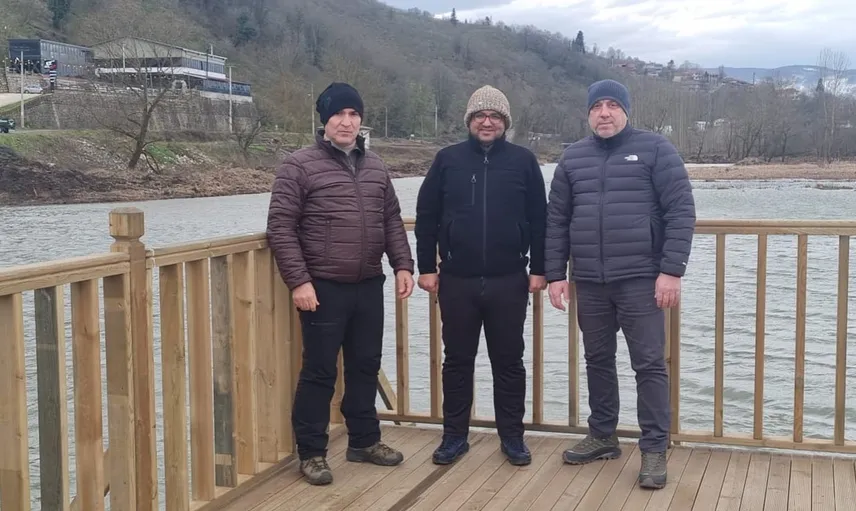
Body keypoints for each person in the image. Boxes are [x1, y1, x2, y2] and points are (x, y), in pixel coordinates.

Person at [544, 79, 696, 489]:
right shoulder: (573, 157)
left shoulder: (655, 149)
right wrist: (556, 273)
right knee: (597, 359)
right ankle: (602, 435)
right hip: (589, 280)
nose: (605, 113)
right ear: (588, 113)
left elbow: (681, 210)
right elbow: (556, 220)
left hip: (641, 278)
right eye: (597, 106)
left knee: (648, 364)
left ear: (626, 111)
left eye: (613, 105)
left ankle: (654, 448)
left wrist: (672, 270)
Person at [267, 82, 415, 486]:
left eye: (353, 114)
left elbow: (390, 220)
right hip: (323, 286)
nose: (347, 122)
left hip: (368, 283)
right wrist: (299, 281)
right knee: (319, 371)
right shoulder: (299, 166)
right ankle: (312, 453)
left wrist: (403, 265)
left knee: (365, 365)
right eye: (339, 114)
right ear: (325, 120)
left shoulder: (376, 166)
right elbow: (281, 227)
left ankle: (364, 441)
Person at [414, 85, 547, 467]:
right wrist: (426, 267)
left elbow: (540, 219)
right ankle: (454, 436)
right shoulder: (447, 160)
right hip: (457, 280)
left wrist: (540, 268)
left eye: (495, 116)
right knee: (457, 361)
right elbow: (426, 216)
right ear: (469, 121)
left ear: (505, 122)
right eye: (480, 116)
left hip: (510, 279)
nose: (487, 122)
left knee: (509, 362)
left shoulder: (524, 161)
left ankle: (513, 437)